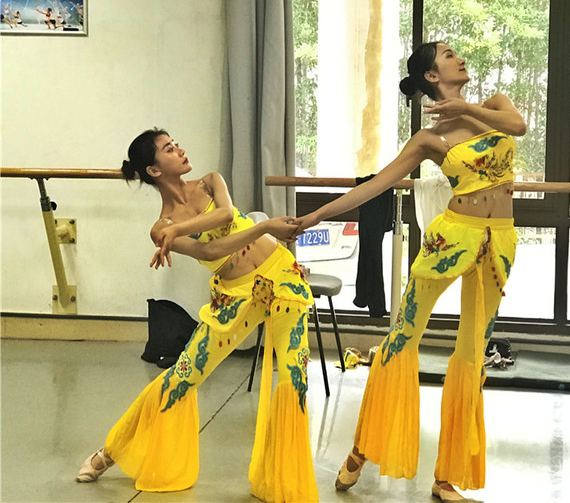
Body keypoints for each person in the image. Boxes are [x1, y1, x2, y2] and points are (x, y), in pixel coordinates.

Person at [293, 41, 526, 502]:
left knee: (472, 353)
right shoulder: (428, 139)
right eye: (448, 55)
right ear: (432, 76)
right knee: (401, 339)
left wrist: (465, 107)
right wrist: (315, 216)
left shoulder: (495, 105)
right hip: (450, 239)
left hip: (499, 242)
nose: (460, 58)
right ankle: (362, 447)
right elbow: (374, 186)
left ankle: (447, 477)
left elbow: (518, 126)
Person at [76, 128, 318, 502]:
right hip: (233, 296)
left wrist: (184, 230)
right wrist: (176, 231)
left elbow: (225, 214)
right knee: (181, 377)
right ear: (154, 170)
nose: (180, 150)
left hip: (283, 278)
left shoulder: (210, 182)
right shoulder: (159, 228)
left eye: (176, 144)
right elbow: (210, 252)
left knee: (293, 379)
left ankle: (288, 485)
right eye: (168, 149)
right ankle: (111, 451)